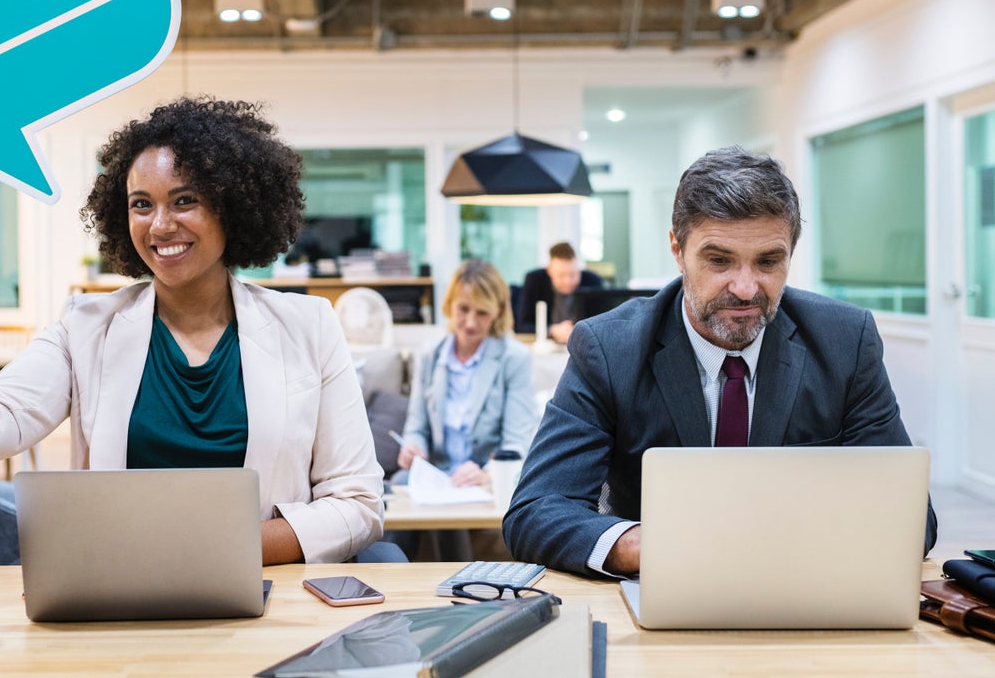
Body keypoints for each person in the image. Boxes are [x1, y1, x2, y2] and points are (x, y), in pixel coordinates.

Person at [0, 97, 384, 565]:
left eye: (185, 201)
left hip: (265, 595)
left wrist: (217, 549)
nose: (159, 225)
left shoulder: (308, 327)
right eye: (142, 204)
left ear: (235, 208)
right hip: (125, 598)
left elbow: (358, 505)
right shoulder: (86, 327)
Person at [502, 146, 938, 578]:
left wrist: (789, 545)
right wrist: (643, 545)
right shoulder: (608, 348)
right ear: (677, 250)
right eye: (719, 260)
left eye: (769, 261)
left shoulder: (845, 341)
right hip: (667, 591)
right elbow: (536, 510)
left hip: (806, 587)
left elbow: (913, 519)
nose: (746, 288)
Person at [397, 259, 538, 487]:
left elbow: (517, 442)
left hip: (487, 481)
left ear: (497, 313)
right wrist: (413, 448)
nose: (470, 323)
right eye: (463, 309)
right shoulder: (429, 355)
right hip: (437, 478)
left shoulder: (514, 358)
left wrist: (488, 474)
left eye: (482, 312)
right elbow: (416, 428)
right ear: (449, 304)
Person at [515, 241, 604, 342]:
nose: (568, 281)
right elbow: (521, 325)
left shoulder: (592, 282)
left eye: (573, 274)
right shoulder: (535, 280)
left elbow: (602, 324)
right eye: (561, 275)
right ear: (549, 271)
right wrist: (552, 330)